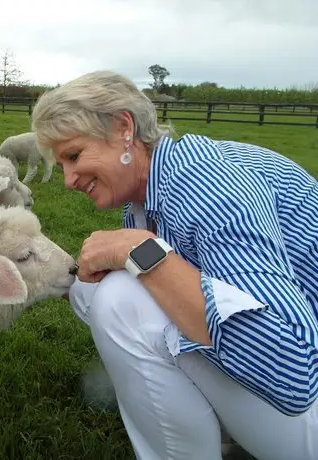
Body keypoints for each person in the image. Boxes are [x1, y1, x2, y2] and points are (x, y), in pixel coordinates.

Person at [31, 70, 318, 460]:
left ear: (123, 128)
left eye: (74, 155)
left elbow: (294, 371)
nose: (67, 180)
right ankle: (217, 433)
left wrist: (142, 251)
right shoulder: (147, 196)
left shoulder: (206, 183)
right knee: (90, 292)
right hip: (290, 391)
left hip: (303, 392)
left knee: (120, 298)